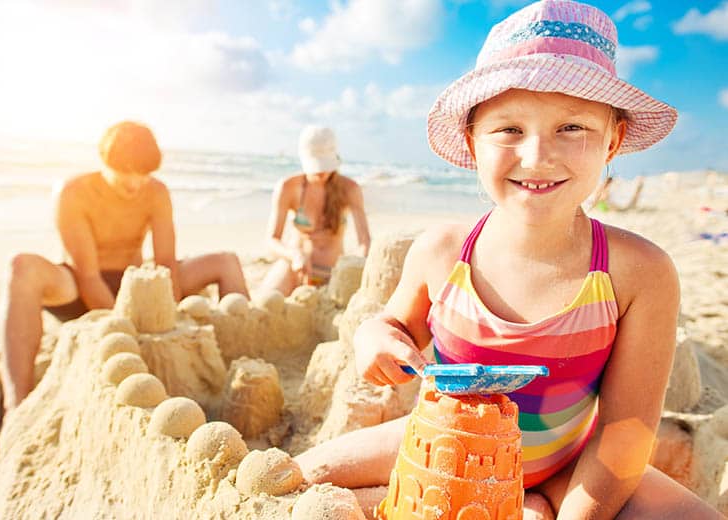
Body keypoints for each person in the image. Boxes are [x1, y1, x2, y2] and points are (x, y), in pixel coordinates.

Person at [295, 1, 722, 518]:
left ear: (613, 140)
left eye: (573, 128)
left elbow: (623, 433)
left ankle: (533, 502)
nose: (537, 156)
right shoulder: (442, 253)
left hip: (570, 465)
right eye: (510, 130)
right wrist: (374, 338)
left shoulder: (638, 273)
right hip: (447, 439)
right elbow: (393, 325)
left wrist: (576, 515)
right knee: (296, 479)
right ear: (472, 141)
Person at [0, 121, 249, 485]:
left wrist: (165, 319)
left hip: (135, 280)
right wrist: (126, 326)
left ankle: (245, 364)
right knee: (21, 268)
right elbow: (87, 277)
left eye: (143, 177)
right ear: (103, 162)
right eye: (124, 177)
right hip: (79, 285)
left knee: (225, 260)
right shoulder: (74, 192)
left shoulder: (156, 191)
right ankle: (14, 410)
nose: (135, 185)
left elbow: (165, 263)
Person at [260, 125, 371, 295]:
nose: (322, 172)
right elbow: (272, 240)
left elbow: (364, 242)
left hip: (334, 274)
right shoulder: (288, 187)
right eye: (316, 166)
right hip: (295, 268)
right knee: (267, 298)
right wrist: (294, 255)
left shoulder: (350, 189)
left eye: (326, 165)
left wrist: (352, 268)